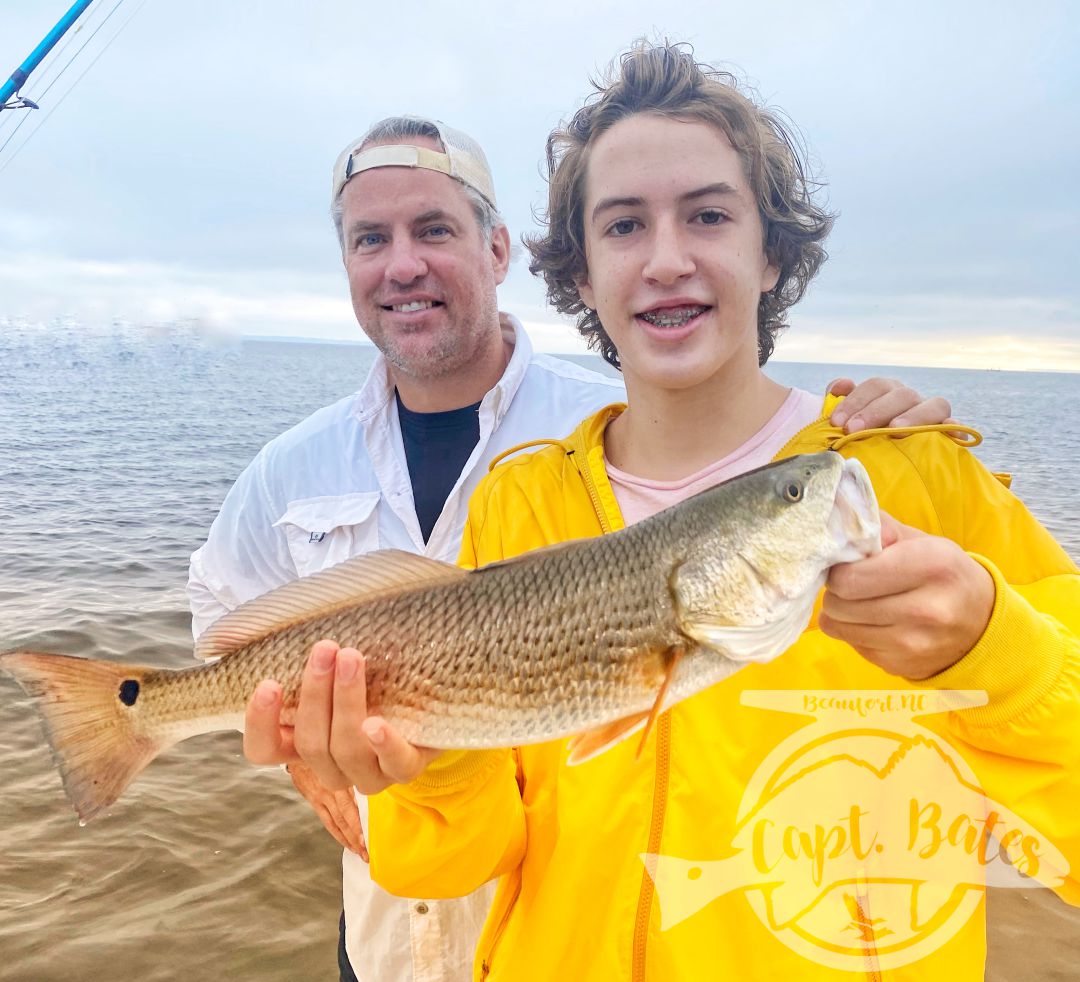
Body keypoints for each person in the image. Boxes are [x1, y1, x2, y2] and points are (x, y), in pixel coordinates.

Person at [200, 114, 960, 981]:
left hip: (557, 918)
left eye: (434, 229)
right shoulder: (289, 466)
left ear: (498, 252)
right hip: (386, 932)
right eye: (370, 238)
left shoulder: (610, 425)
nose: (403, 264)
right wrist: (316, 760)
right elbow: (225, 623)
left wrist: (892, 457)